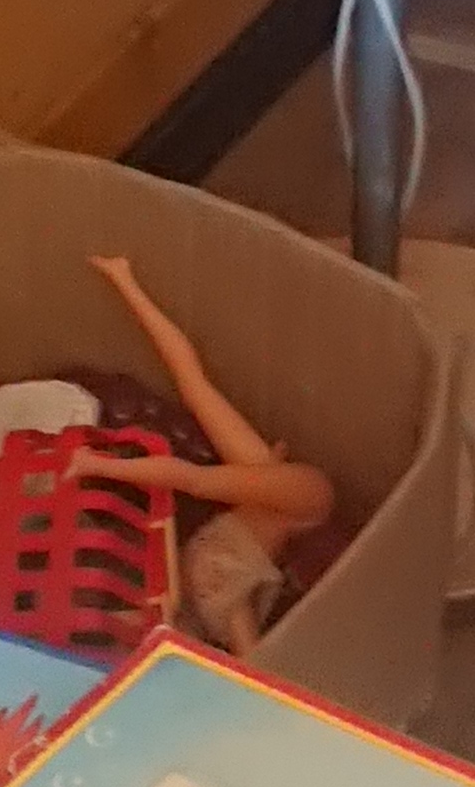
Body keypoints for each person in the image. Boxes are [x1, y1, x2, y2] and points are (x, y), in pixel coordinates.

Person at [66, 256, 334, 659]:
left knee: (219, 649)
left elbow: (191, 476)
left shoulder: (290, 490)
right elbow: (191, 384)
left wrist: (96, 464)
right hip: (216, 564)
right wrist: (126, 283)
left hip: (218, 567)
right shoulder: (278, 481)